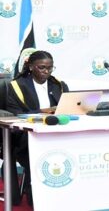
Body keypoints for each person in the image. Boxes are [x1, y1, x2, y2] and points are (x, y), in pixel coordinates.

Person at [5, 50, 69, 206]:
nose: (46, 71)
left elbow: (70, 107)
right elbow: (15, 113)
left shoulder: (58, 85)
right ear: (31, 67)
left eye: (50, 68)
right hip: (27, 136)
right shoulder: (17, 86)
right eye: (42, 67)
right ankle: (37, 195)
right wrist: (43, 112)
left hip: (57, 131)